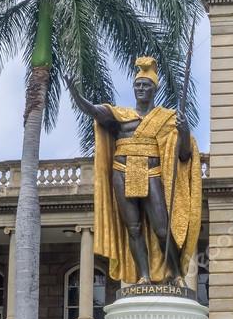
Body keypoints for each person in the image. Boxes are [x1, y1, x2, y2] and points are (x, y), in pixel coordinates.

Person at [67, 57, 201, 286]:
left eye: (146, 85)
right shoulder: (120, 116)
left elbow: (185, 156)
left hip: (152, 172)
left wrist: (185, 131)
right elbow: (93, 111)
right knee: (134, 227)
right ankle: (144, 276)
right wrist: (76, 94)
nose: (141, 89)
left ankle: (176, 273)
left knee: (161, 228)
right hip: (122, 171)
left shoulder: (166, 119)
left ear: (154, 89)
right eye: (137, 85)